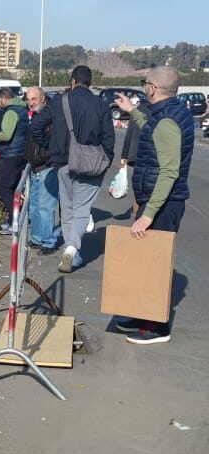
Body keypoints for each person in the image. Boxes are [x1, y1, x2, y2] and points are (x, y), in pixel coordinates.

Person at [113, 66, 194, 344]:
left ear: (152, 88)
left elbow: (169, 172)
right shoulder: (168, 114)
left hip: (164, 204)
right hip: (159, 201)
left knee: (156, 265)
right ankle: (142, 314)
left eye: (145, 83)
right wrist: (131, 111)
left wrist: (147, 215)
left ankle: (157, 327)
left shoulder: (168, 121)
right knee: (147, 262)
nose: (144, 87)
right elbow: (152, 131)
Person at [32, 65, 114, 272]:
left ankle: (72, 254)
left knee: (67, 209)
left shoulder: (59, 101)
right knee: (82, 209)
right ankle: (72, 249)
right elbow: (108, 137)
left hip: (63, 161)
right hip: (91, 163)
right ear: (90, 82)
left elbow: (36, 126)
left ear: (72, 81)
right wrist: (106, 158)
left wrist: (51, 146)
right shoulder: (100, 104)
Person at [0, 86, 29, 234]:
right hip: (19, 154)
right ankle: (13, 219)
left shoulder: (11, 111)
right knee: (12, 189)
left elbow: (6, 135)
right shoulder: (22, 109)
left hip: (11, 155)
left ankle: (15, 221)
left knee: (4, 188)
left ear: (4, 98)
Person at [25, 86, 59, 254]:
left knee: (46, 206)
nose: (31, 103)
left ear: (43, 99)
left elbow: (52, 141)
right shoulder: (35, 115)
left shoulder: (50, 116)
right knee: (35, 206)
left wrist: (46, 154)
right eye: (28, 99)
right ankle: (37, 238)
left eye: (34, 99)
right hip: (35, 165)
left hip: (47, 165)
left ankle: (48, 241)